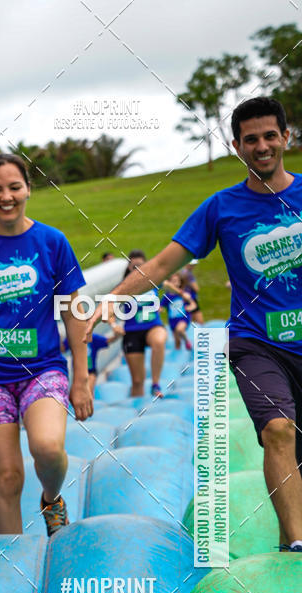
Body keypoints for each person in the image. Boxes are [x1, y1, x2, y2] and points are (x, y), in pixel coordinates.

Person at [85, 96, 302, 553]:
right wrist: (112, 300)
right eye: (250, 139)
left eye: (269, 136)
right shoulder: (220, 208)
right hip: (255, 342)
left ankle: (288, 539)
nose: (261, 146)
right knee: (278, 430)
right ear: (236, 147)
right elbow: (163, 263)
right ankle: (298, 546)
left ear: (286, 137)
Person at [0, 152, 93, 536]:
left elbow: (73, 312)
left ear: (28, 189)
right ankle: (10, 565)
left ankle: (51, 498)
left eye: (14, 187)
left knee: (46, 447)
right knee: (7, 477)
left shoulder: (52, 242)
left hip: (42, 368)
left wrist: (81, 377)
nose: (6, 196)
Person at [119, 250, 167, 398]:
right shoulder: (123, 287)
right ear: (129, 268)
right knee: (137, 381)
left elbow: (168, 283)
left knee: (159, 341)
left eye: (141, 266)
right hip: (132, 333)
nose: (138, 270)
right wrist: (113, 325)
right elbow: (110, 307)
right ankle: (136, 413)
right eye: (135, 267)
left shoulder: (153, 282)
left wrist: (182, 294)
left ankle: (155, 384)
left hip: (152, 327)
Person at [61, 327, 121, 393]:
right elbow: (62, 348)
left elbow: (107, 341)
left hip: (91, 371)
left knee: (88, 391)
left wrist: (116, 336)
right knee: (80, 393)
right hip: (78, 373)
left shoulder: (93, 338)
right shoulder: (73, 337)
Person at [160, 272, 195, 351]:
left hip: (183, 318)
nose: (175, 283)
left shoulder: (183, 294)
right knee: (177, 342)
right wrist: (159, 310)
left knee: (180, 330)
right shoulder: (167, 296)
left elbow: (193, 305)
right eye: (173, 281)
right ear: (169, 283)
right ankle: (178, 359)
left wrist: (190, 307)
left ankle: (187, 342)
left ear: (180, 282)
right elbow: (161, 307)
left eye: (177, 281)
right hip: (172, 320)